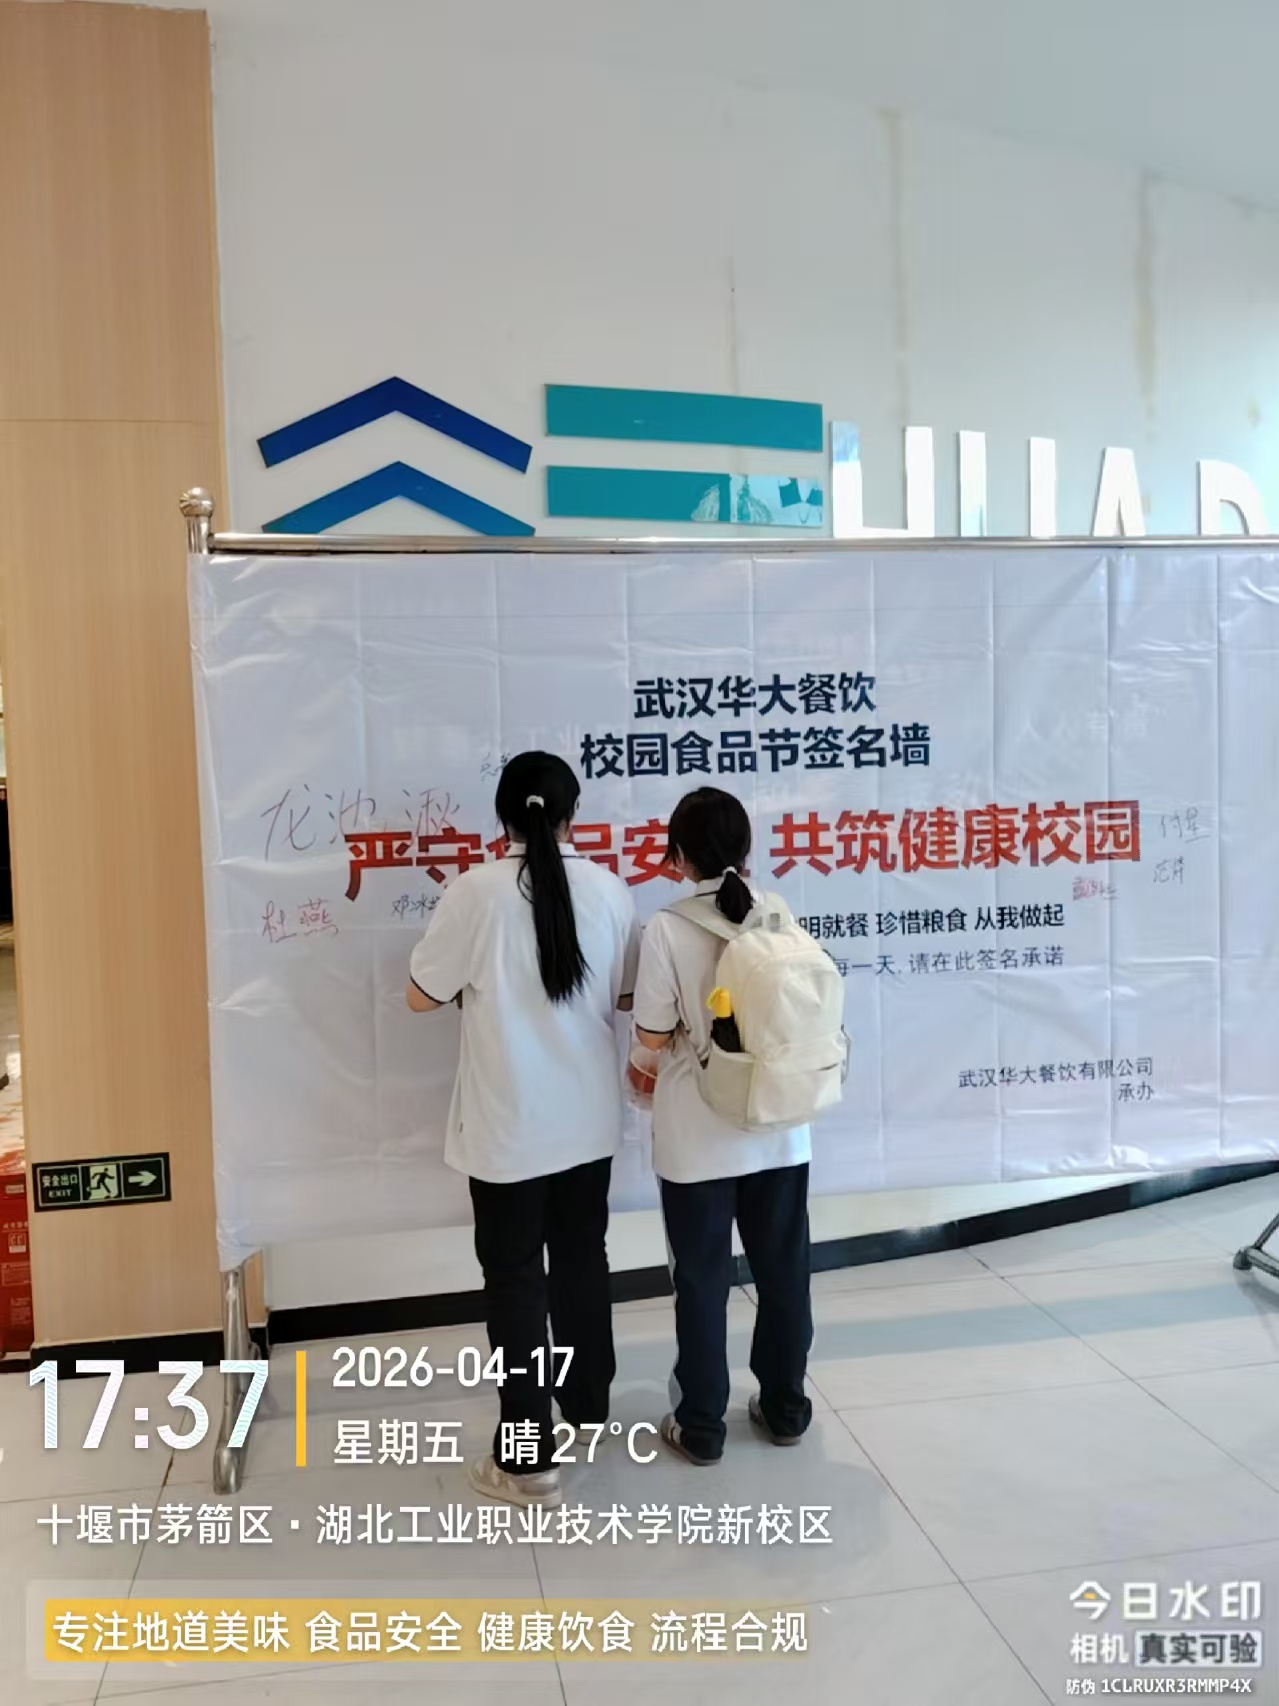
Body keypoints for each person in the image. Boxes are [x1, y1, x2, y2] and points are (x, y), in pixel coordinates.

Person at [406, 752, 639, 1508]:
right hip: (587, 1122)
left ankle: (528, 1456)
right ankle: (588, 1409)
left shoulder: (472, 892)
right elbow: (624, 995)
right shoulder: (608, 889)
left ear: (502, 814)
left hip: (507, 1125)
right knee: (581, 1263)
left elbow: (420, 995)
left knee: (514, 1282)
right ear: (573, 815)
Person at [632, 786, 813, 1465]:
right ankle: (786, 1407)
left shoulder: (666, 928)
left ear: (678, 856)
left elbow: (651, 1033)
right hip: (780, 1126)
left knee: (702, 1281)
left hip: (697, 1137)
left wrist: (642, 1063)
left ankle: (702, 1424)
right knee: (784, 1274)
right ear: (746, 847)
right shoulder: (779, 912)